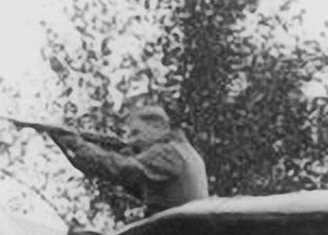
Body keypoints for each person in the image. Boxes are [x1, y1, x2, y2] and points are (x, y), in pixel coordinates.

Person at [49, 92, 209, 218]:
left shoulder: (167, 153)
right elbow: (108, 171)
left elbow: (117, 169)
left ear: (157, 126)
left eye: (136, 133)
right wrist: (64, 142)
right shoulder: (184, 151)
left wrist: (76, 144)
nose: (131, 141)